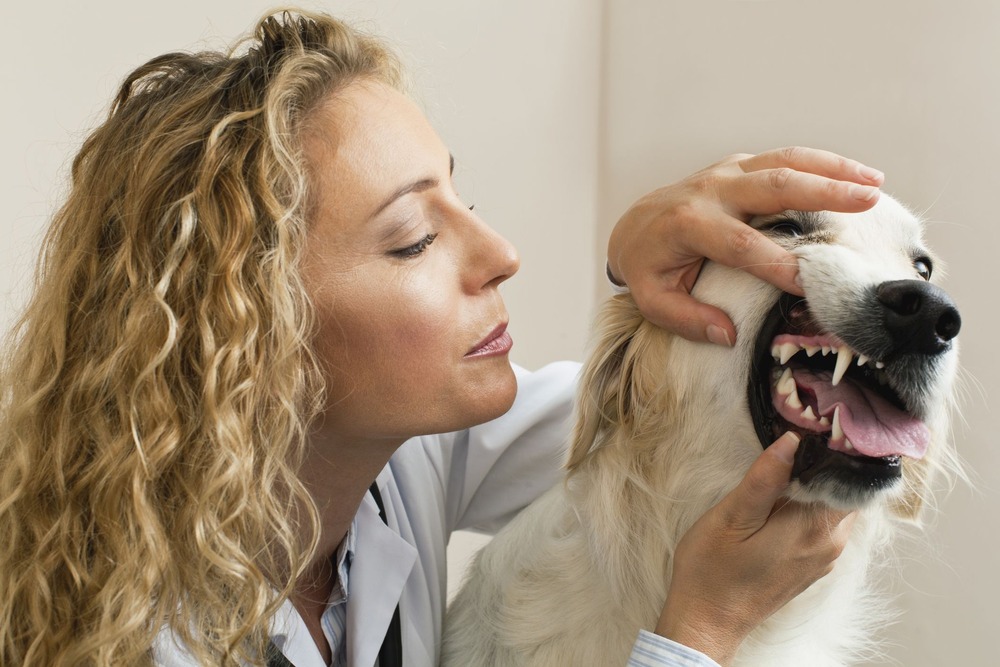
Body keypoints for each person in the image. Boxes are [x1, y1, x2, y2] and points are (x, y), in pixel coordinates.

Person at [0, 9, 882, 667]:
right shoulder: (136, 642)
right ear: (253, 329)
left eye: (466, 200)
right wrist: (701, 631)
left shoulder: (396, 462)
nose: (501, 256)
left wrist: (641, 260)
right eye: (414, 238)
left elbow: (670, 416)